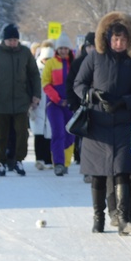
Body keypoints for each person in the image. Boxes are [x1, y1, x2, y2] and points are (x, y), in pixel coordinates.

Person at [74, 11, 131, 233]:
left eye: (123, 39)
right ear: (107, 39)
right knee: (97, 173)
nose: (118, 43)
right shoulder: (94, 58)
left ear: (130, 40)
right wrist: (92, 95)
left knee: (122, 171)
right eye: (115, 39)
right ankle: (98, 218)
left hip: (122, 124)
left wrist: (123, 102)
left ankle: (122, 218)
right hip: (97, 124)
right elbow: (78, 84)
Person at [0, 24, 40, 176]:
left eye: (15, 40)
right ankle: (0, 161)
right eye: (10, 40)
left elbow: (34, 75)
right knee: (0, 134)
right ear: (4, 40)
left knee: (22, 133)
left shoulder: (25, 52)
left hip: (21, 100)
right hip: (0, 101)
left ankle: (18, 160)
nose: (13, 43)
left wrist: (36, 94)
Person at [41, 38, 76, 175]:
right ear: (56, 49)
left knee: (70, 134)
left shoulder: (73, 64)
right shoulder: (50, 63)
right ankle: (59, 163)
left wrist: (73, 99)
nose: (63, 51)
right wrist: (57, 99)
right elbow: (46, 83)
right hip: (54, 104)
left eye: (65, 48)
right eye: (60, 48)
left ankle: (66, 162)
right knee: (58, 133)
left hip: (70, 104)